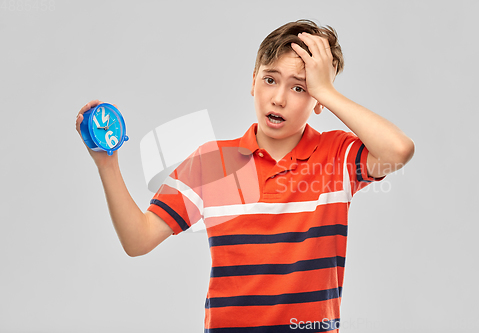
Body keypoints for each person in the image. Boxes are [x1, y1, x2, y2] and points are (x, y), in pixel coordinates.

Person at [75, 19, 414, 333]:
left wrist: (327, 90)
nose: (278, 98)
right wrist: (107, 163)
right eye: (270, 79)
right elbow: (138, 240)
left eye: (299, 88)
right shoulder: (210, 164)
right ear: (253, 81)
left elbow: (398, 150)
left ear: (318, 100)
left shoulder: (337, 156)